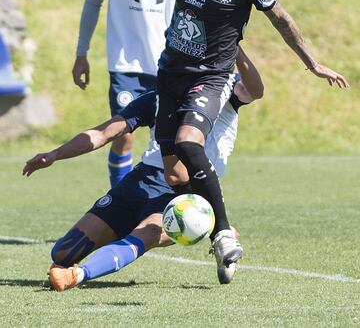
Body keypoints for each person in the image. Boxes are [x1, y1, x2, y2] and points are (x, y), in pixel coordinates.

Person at [154, 0, 349, 276]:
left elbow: (282, 20)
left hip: (212, 76)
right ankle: (213, 232)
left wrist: (312, 62)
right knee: (176, 176)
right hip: (171, 73)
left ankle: (224, 232)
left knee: (189, 142)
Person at [23, 46, 264, 288]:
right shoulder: (159, 97)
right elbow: (104, 133)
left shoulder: (224, 90)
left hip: (185, 191)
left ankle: (78, 276)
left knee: (147, 233)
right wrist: (54, 154)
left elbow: (256, 89)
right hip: (141, 182)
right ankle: (221, 229)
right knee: (64, 252)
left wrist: (234, 48)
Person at [72, 0, 180, 187]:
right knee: (122, 136)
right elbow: (93, 1)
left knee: (166, 146)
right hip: (126, 66)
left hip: (168, 66)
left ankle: (158, 207)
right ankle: (117, 207)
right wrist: (82, 53)